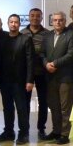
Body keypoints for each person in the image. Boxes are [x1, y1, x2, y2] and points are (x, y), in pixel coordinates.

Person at [42, 11, 73, 144]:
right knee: (54, 106)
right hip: (50, 77)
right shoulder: (47, 36)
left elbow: (71, 54)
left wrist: (54, 63)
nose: (58, 22)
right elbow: (42, 53)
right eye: (55, 20)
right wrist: (46, 64)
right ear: (52, 22)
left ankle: (65, 133)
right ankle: (56, 131)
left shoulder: (71, 35)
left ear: (65, 21)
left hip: (65, 77)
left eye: (60, 20)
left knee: (65, 107)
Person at [0, 14, 34, 145]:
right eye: (11, 22)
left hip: (20, 81)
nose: (13, 24)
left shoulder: (25, 39)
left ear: (19, 24)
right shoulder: (3, 39)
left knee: (21, 108)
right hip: (5, 81)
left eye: (16, 22)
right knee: (7, 108)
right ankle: (9, 132)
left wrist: (30, 80)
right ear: (8, 24)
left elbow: (30, 61)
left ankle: (23, 133)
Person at [21, 8, 51, 138]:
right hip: (26, 73)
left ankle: (41, 128)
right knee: (25, 102)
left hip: (42, 72)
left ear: (41, 18)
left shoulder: (47, 34)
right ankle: (25, 128)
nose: (35, 18)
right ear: (29, 17)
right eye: (32, 15)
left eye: (38, 16)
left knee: (43, 102)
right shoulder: (22, 33)